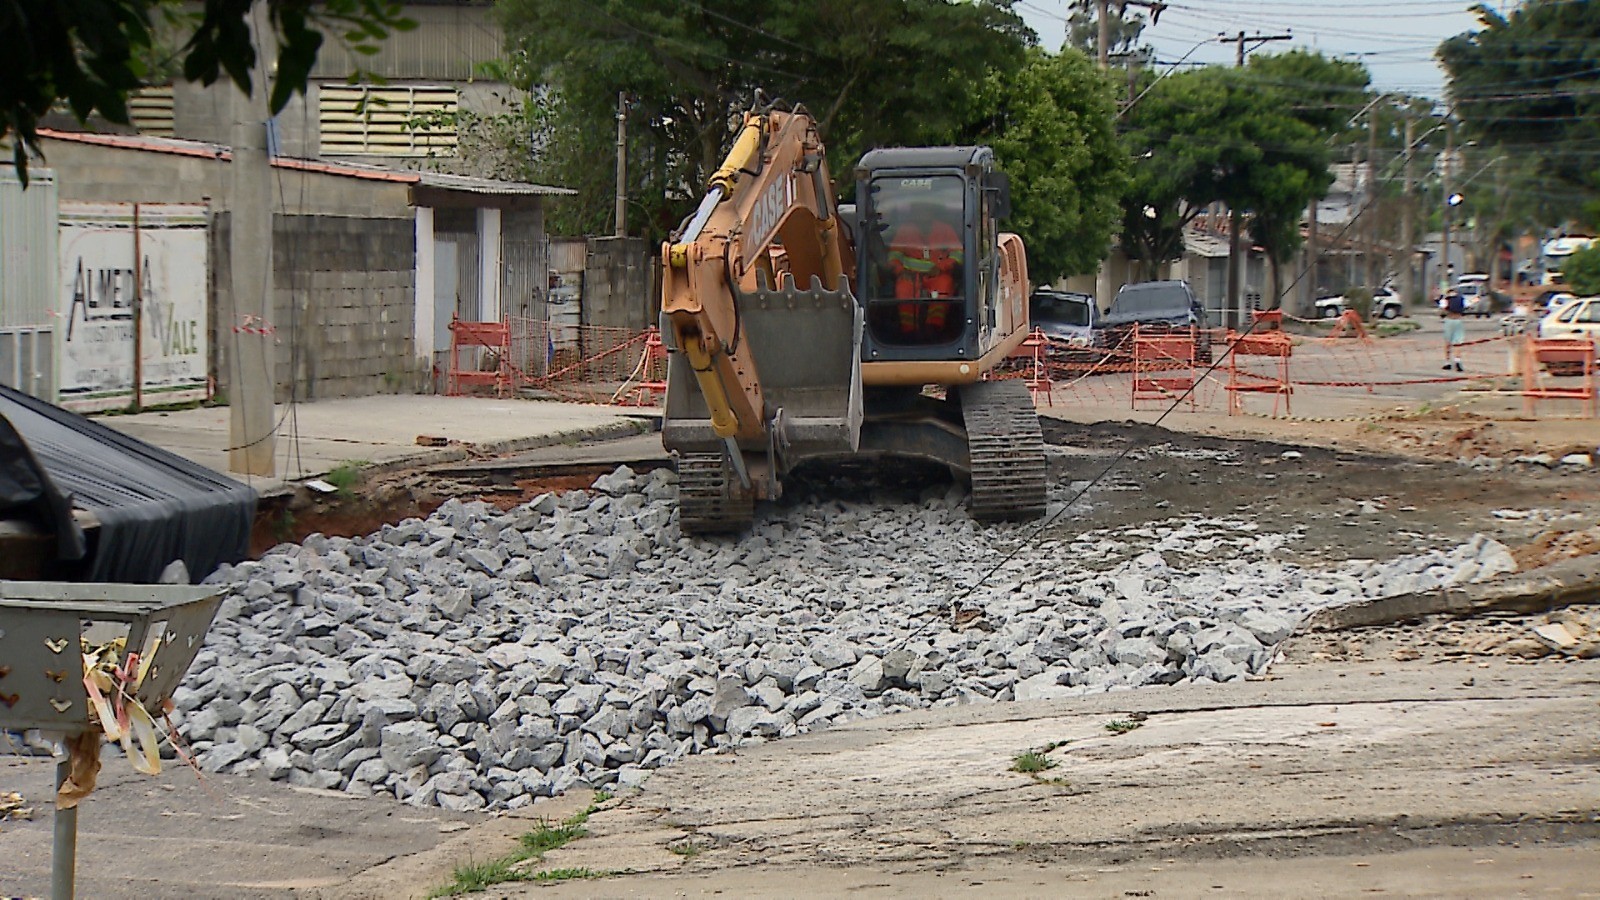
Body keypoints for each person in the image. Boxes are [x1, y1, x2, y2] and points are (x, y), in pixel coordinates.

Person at [1441, 286, 1466, 371]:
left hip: (1449, 320)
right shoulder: (1461, 299)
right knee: (1458, 342)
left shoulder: (1446, 299)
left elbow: (1442, 310)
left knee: (1447, 342)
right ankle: (1457, 360)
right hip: (1459, 320)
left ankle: (1447, 362)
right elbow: (1465, 308)